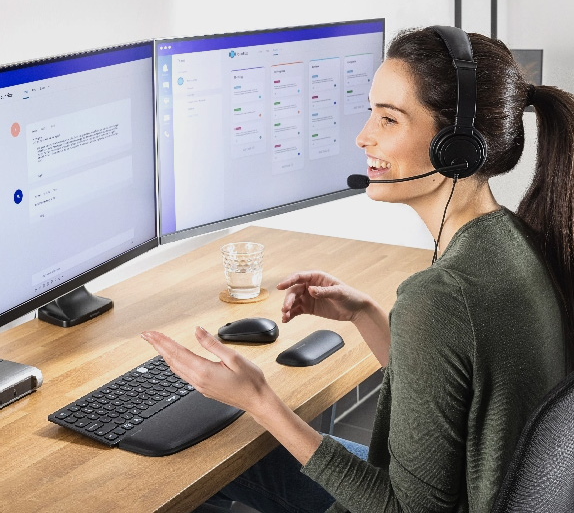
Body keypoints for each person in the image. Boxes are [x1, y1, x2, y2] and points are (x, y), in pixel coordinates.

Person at [141, 26, 574, 512]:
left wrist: (260, 398)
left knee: (215, 461)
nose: (363, 136)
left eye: (388, 120)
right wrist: (365, 312)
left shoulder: (441, 296)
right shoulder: (518, 241)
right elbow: (449, 402)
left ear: (456, 146)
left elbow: (404, 509)